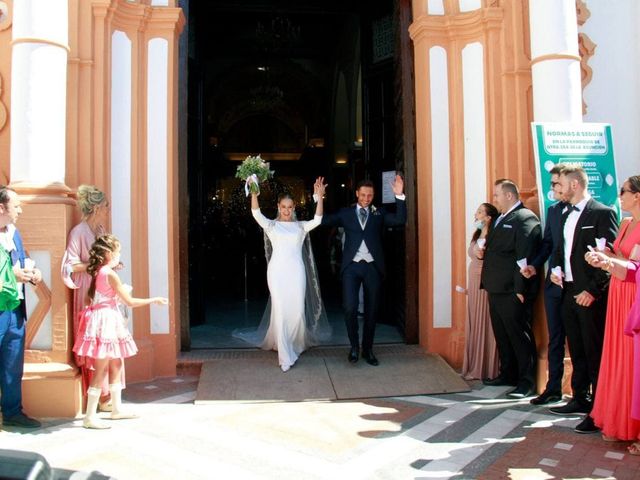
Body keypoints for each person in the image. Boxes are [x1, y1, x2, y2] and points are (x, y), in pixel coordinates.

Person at [548, 166, 618, 434]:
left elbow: (608, 257)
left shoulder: (602, 213)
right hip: (566, 289)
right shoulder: (564, 213)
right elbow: (560, 248)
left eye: (561, 183)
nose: (557, 188)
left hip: (589, 293)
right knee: (575, 347)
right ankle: (580, 397)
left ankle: (598, 409)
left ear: (575, 184)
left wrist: (594, 290)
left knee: (594, 350)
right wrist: (556, 270)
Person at [73, 234, 168, 429]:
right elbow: (130, 302)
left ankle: (116, 408)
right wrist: (154, 300)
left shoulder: (99, 271)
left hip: (106, 318)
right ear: (108, 253)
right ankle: (89, 417)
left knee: (116, 363)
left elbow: (95, 298)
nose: (119, 255)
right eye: (117, 251)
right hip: (107, 321)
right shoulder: (109, 273)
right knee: (101, 369)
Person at [242, 177, 330, 372]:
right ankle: (285, 355)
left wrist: (320, 197)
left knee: (297, 310)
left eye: (290, 207)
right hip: (277, 273)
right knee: (281, 311)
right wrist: (254, 192)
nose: (287, 210)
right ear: (278, 206)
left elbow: (318, 220)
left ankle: (295, 344)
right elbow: (256, 213)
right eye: (283, 206)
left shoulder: (300, 227)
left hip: (296, 272)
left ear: (294, 207)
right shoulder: (272, 226)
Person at [322, 176, 407, 366]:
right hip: (351, 267)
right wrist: (318, 199)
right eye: (363, 195)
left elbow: (401, 219)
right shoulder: (346, 213)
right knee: (350, 308)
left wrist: (399, 195)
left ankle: (367, 349)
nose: (366, 199)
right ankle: (354, 347)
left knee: (372, 310)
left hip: (372, 267)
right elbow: (324, 221)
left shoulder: (380, 214)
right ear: (357, 194)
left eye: (370, 196)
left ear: (373, 195)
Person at [586, 176, 640, 442]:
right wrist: (604, 255)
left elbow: (637, 268)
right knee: (617, 355)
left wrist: (608, 264)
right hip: (618, 294)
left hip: (634, 295)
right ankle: (617, 418)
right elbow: (622, 257)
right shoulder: (626, 223)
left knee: (633, 359)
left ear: (637, 196)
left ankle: (634, 427)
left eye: (624, 191)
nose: (620, 196)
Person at [480, 179, 541, 398]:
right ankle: (508, 373)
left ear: (508, 196)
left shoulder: (525, 218)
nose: (494, 199)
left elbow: (523, 256)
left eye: (497, 195)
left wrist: (520, 289)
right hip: (496, 287)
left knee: (518, 335)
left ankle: (527, 382)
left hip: (512, 289)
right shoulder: (500, 218)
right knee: (503, 334)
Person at [61, 184, 116, 410]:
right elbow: (71, 265)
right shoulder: (79, 232)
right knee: (94, 339)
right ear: (95, 208)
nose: (107, 210)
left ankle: (105, 393)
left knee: (106, 339)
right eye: (105, 206)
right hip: (88, 291)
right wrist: (95, 267)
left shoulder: (100, 229)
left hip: (102, 288)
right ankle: (98, 396)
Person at [521, 164, 568, 405]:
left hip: (579, 288)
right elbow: (547, 244)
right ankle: (553, 388)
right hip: (554, 285)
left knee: (583, 343)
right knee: (555, 338)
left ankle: (585, 394)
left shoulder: (596, 212)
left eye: (555, 183)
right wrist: (534, 265)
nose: (552, 188)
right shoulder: (553, 211)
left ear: (572, 182)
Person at [0, 187, 42, 428]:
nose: (20, 209)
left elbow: (21, 261)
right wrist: (10, 277)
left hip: (14, 309)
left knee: (12, 363)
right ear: (1, 208)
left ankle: (13, 412)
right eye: (16, 205)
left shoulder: (14, 233)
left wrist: (32, 272)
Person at [461, 202, 500, 380]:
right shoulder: (478, 233)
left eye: (480, 213)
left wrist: (485, 230)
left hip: (483, 282)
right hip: (474, 281)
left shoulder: (489, 234)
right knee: (475, 319)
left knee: (484, 320)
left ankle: (485, 367)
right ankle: (474, 364)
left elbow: (480, 254)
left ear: (488, 217)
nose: (476, 215)